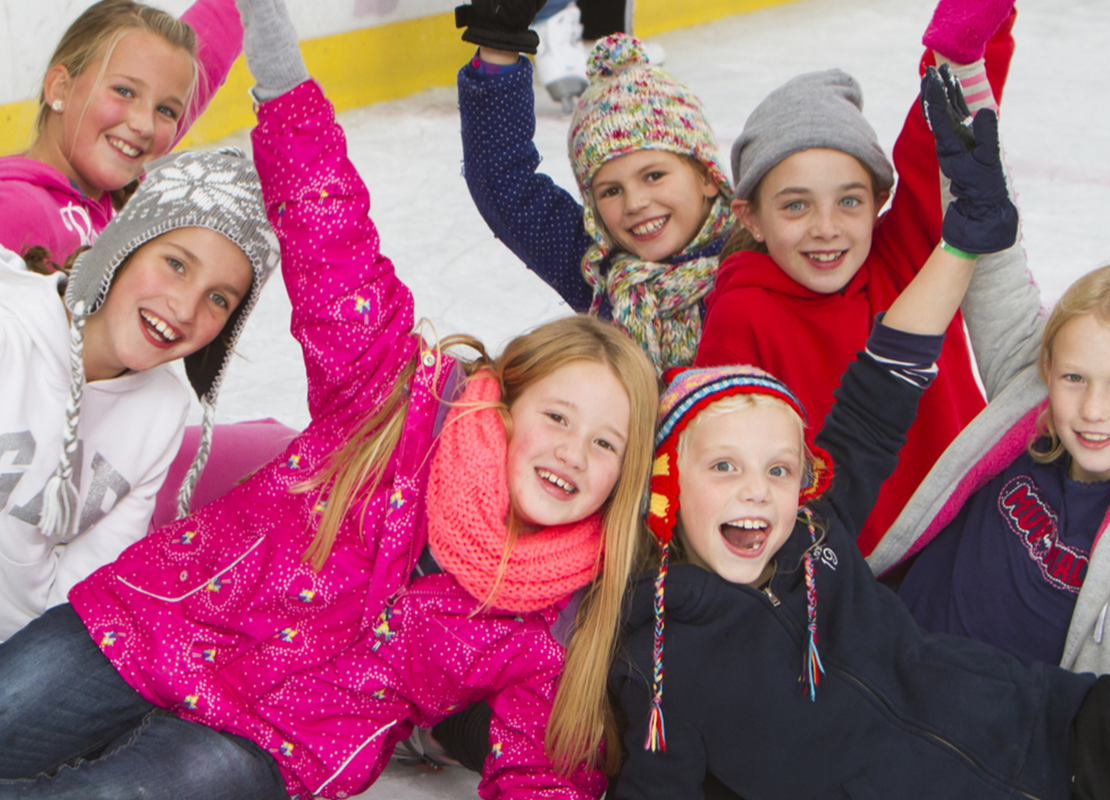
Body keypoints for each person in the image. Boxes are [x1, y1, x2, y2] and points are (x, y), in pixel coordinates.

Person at [0, 2, 657, 798]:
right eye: (558, 418)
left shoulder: (547, 621)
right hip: (162, 621)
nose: (571, 452)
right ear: (508, 405)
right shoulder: (397, 406)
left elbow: (542, 767)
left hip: (279, 739)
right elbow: (328, 228)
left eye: (605, 444)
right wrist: (281, 74)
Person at [608, 69, 1110, 800]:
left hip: (1059, 725)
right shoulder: (663, 661)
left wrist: (968, 228)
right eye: (723, 467)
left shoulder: (815, 532)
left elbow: (876, 400)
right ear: (668, 483)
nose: (757, 493)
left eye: (779, 471)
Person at [692, 0, 1017, 554]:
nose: (826, 228)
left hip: (970, 544)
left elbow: (936, 140)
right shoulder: (743, 315)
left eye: (849, 200)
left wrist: (958, 48)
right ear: (751, 217)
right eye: (795, 207)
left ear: (879, 201)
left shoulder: (906, 259)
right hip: (853, 579)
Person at [869, 217, 1110, 732]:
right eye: (1074, 378)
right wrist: (974, 158)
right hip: (888, 672)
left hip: (996, 750)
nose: (1093, 409)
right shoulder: (1028, 396)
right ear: (1048, 368)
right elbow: (994, 254)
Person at [0, 148, 277, 641]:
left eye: (219, 299)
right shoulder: (11, 330)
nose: (185, 308)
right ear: (128, 242)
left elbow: (82, 601)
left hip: (32, 669)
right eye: (176, 264)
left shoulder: (162, 411)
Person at [457, 3, 734, 372]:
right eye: (610, 191)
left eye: (654, 176)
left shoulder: (751, 257)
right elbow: (505, 183)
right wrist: (499, 43)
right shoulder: (595, 268)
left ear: (707, 176)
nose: (635, 202)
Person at [0, 0, 244, 268]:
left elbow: (215, 40)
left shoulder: (122, 183)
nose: (145, 126)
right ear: (60, 89)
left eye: (166, 110)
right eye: (124, 92)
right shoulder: (13, 208)